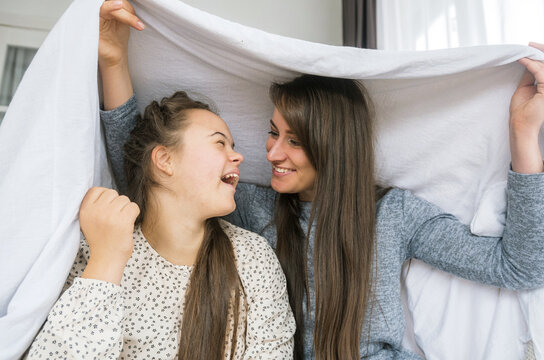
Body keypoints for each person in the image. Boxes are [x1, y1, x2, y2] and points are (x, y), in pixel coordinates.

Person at [98, 1, 544, 359]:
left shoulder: (394, 215)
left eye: (294, 141)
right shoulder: (254, 209)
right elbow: (149, 180)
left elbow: (519, 266)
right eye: (273, 133)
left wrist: (523, 134)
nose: (271, 153)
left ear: (332, 147)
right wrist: (113, 63)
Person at [26, 92, 295, 357]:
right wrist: (107, 261)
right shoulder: (93, 251)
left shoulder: (253, 259)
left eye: (233, 146)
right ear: (165, 160)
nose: (238, 157)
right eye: (219, 144)